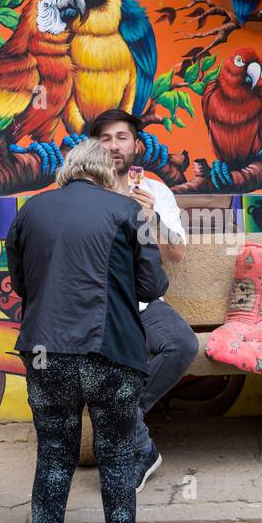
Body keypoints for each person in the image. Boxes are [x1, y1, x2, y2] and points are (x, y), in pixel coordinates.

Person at [7, 138, 168, 523]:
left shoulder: (30, 210)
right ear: (104, 173)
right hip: (110, 354)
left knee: (53, 458)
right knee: (116, 457)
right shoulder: (127, 211)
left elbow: (21, 282)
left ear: (67, 172)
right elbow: (153, 286)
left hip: (43, 354)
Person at [88, 110, 199, 492]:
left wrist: (152, 216)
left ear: (136, 145)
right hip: (99, 308)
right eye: (105, 138)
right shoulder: (83, 191)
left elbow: (177, 253)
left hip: (146, 305)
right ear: (95, 146)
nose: (115, 146)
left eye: (122, 138)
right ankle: (139, 447)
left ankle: (123, 414)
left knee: (183, 343)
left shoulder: (155, 190)